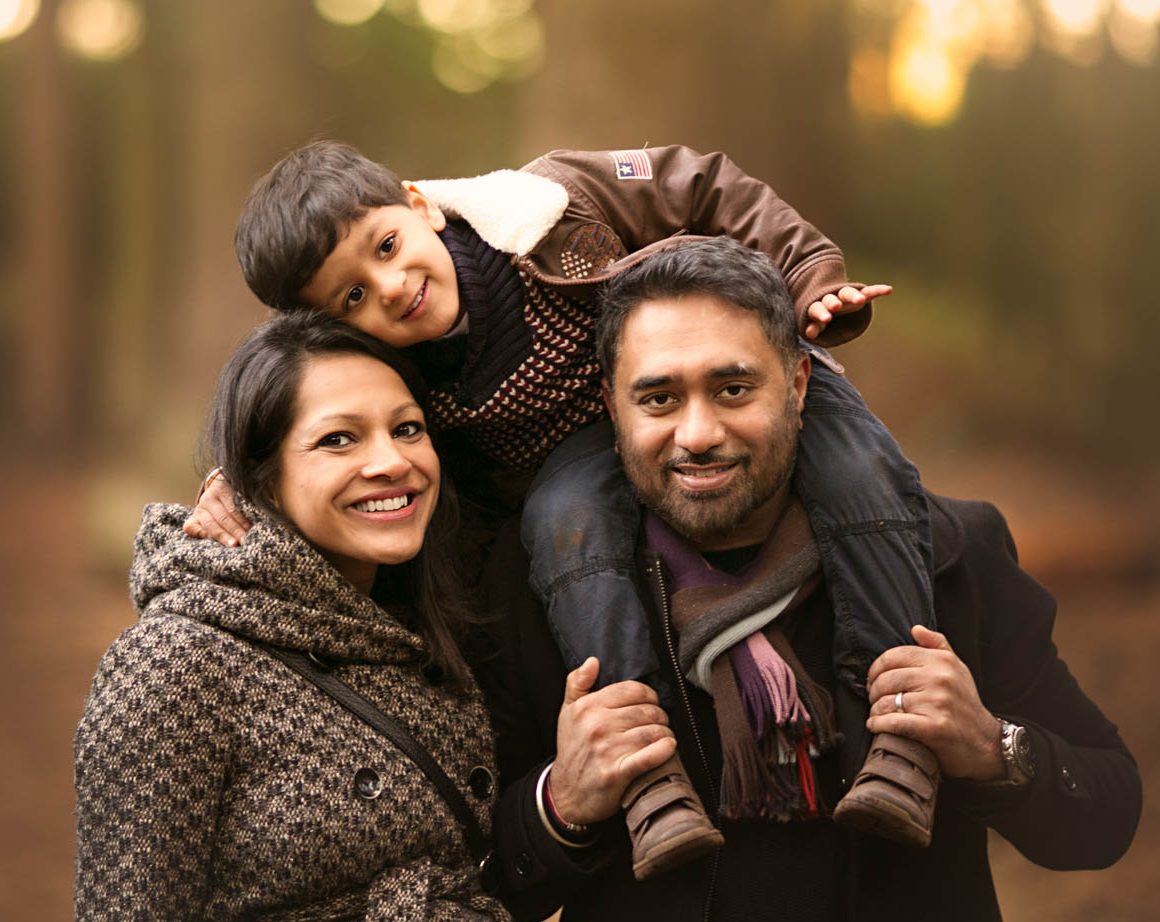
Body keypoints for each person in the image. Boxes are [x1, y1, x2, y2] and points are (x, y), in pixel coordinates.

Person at [190, 141, 940, 878]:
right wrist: (240, 474)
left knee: (859, 470)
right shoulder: (396, 363)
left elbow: (703, 184)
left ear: (420, 204)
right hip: (587, 451)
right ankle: (648, 773)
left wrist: (811, 278)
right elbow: (300, 391)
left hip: (711, 381)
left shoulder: (548, 207)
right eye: (351, 296)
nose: (386, 287)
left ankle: (903, 718)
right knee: (563, 527)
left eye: (385, 246)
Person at [479, 238, 1143, 922]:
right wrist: (561, 802)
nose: (697, 433)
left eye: (733, 389)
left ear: (798, 381)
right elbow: (489, 877)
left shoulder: (950, 557)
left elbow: (1108, 812)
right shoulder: (539, 584)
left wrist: (993, 747)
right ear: (610, 403)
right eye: (659, 398)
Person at [70, 312, 542, 922]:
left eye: (407, 428)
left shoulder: (423, 635)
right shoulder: (178, 664)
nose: (391, 461)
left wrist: (564, 806)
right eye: (338, 439)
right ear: (259, 482)